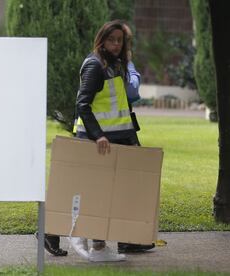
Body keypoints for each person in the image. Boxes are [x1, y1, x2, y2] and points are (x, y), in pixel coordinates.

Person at [69, 20, 155, 262]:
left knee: (115, 193)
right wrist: (98, 136)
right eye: (112, 40)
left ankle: (99, 244)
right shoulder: (95, 65)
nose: (116, 44)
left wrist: (131, 140)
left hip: (118, 139)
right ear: (102, 39)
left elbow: (121, 106)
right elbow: (82, 104)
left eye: (120, 40)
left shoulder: (116, 64)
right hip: (100, 142)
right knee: (100, 194)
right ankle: (93, 244)